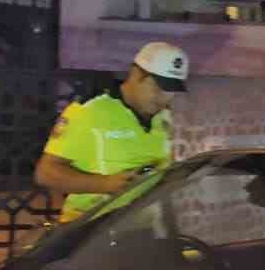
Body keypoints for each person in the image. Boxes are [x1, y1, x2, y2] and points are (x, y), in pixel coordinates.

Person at [34, 41, 188, 222]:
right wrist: (105, 184)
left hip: (142, 228)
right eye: (157, 87)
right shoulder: (90, 110)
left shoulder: (164, 116)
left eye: (172, 90)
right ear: (135, 74)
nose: (164, 98)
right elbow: (45, 173)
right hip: (91, 229)